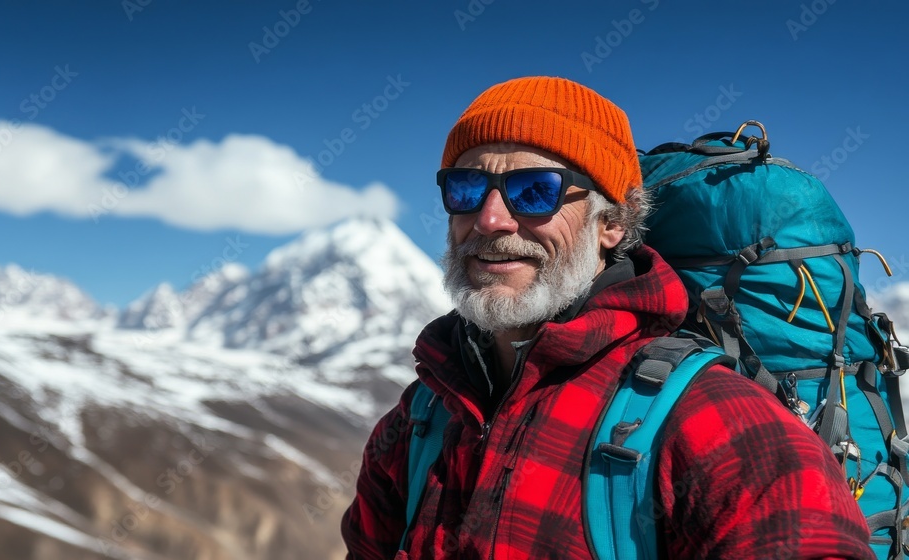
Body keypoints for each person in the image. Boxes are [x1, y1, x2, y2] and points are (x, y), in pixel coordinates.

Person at [341, 76, 872, 559]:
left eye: (535, 191)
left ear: (612, 222)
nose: (490, 219)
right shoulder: (424, 413)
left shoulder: (718, 424)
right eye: (465, 189)